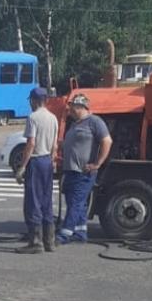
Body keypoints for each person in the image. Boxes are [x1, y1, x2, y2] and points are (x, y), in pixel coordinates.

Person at [57, 93, 112, 244]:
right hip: (70, 171)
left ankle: (64, 234)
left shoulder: (95, 122)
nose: (70, 111)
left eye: (72, 107)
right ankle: (81, 233)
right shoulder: (75, 124)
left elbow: (107, 141)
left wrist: (97, 163)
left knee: (75, 203)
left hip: (84, 172)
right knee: (77, 203)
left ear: (81, 107)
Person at [15, 87, 59, 254]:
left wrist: (22, 167)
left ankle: (36, 242)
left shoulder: (33, 118)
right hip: (47, 161)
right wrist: (53, 161)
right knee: (46, 201)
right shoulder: (53, 118)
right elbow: (55, 144)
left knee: (33, 201)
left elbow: (31, 143)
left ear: (34, 100)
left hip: (35, 161)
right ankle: (50, 241)